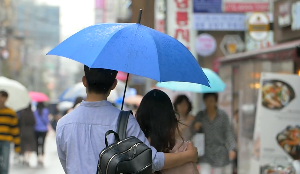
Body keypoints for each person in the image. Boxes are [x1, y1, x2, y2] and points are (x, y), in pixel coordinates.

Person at [56, 66, 198, 174]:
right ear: (114, 84)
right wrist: (188, 156)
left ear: (84, 81)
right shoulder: (124, 121)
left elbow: (67, 165)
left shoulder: (63, 124)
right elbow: (150, 160)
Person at [136, 89, 198, 174]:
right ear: (170, 119)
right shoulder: (186, 150)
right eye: (181, 104)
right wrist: (189, 155)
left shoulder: (134, 148)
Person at [192, 93, 236, 174]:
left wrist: (232, 148)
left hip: (220, 152)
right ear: (204, 101)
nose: (209, 103)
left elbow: (228, 132)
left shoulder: (223, 116)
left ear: (215, 101)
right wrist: (196, 127)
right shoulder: (200, 115)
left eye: (211, 101)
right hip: (205, 152)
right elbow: (193, 133)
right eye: (207, 101)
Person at [0, 90, 20, 174]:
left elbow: (14, 129)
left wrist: (17, 146)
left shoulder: (11, 112)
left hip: (6, 141)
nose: (1, 99)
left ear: (6, 98)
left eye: (3, 97)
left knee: (5, 164)